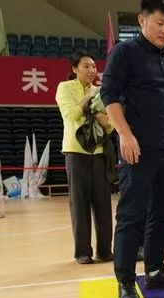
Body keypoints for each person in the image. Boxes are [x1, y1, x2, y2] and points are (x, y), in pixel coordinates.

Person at [101, 0, 164, 298]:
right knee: (132, 216)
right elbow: (108, 94)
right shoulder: (124, 53)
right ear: (142, 20)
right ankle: (126, 280)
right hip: (137, 150)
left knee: (163, 214)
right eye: (160, 23)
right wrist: (125, 134)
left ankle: (155, 270)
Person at [56, 51, 114, 265]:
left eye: (94, 66)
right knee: (79, 204)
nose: (92, 70)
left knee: (103, 204)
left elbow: (110, 125)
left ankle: (105, 251)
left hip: (99, 153)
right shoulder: (65, 88)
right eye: (86, 66)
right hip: (75, 152)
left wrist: (104, 121)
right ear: (75, 69)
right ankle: (82, 252)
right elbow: (70, 115)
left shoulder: (101, 91)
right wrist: (89, 96)